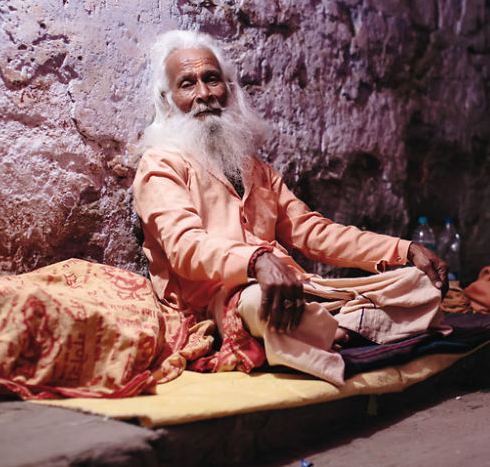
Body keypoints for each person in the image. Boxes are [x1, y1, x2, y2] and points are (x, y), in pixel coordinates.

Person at [133, 30, 449, 386]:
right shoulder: (160, 166)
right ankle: (340, 327)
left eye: (211, 79)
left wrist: (403, 249)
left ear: (229, 88)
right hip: (223, 305)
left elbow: (314, 232)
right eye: (187, 84)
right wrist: (255, 261)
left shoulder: (256, 170)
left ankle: (332, 328)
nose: (204, 94)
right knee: (261, 301)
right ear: (168, 99)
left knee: (417, 283)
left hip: (298, 289)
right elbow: (185, 248)